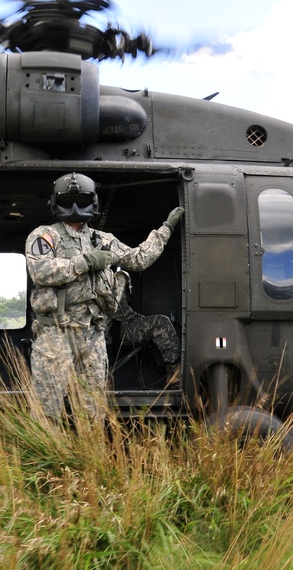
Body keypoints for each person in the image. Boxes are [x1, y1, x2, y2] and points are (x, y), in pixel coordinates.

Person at [25, 172, 184, 418]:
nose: (75, 207)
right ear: (56, 203)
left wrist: (165, 229)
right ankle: (50, 455)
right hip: (56, 334)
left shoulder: (103, 240)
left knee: (92, 412)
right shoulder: (45, 236)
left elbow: (139, 259)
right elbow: (40, 271)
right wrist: (86, 262)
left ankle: (89, 455)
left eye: (82, 200)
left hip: (92, 335)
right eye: (68, 201)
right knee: (47, 414)